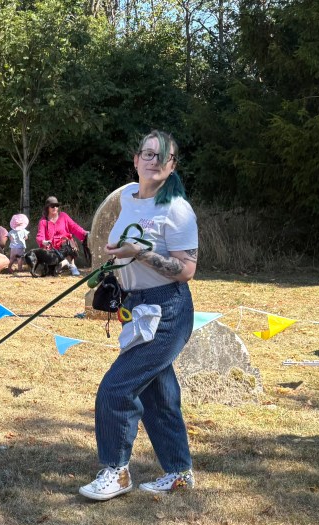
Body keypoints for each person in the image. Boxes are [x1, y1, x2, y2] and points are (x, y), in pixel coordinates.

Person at [78, 129, 199, 501]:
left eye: (162, 156)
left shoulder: (177, 209)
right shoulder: (128, 197)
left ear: (172, 166)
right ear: (136, 160)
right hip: (136, 305)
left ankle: (116, 471)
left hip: (168, 309)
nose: (153, 160)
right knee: (159, 395)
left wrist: (139, 253)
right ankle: (178, 472)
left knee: (117, 388)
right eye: (148, 153)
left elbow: (186, 270)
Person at [36, 196, 88, 276]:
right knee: (49, 273)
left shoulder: (64, 216)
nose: (55, 208)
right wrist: (43, 241)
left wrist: (84, 233)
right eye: (52, 206)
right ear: (47, 208)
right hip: (52, 249)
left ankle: (72, 265)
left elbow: (74, 227)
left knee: (67, 242)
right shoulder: (43, 221)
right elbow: (40, 235)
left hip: (64, 245)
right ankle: (62, 264)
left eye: (57, 205)